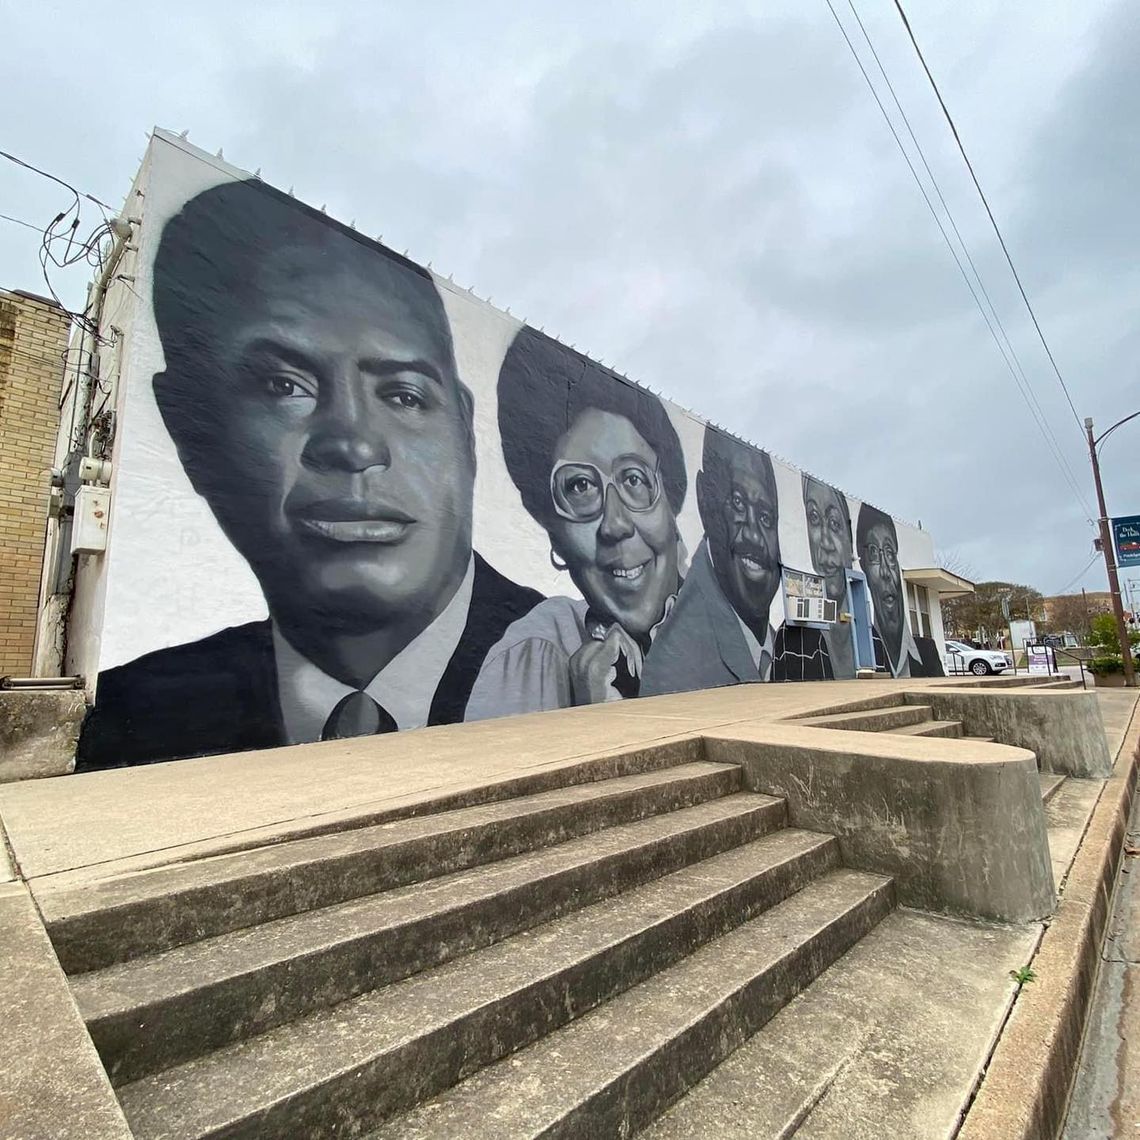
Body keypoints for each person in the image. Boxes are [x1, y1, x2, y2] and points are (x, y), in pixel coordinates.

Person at [78, 177, 541, 768]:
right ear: (188, 431)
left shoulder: (570, 658)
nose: (352, 444)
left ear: (465, 433)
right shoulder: (129, 718)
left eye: (403, 395)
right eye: (284, 387)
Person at [465, 329, 686, 718]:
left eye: (634, 479)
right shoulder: (538, 651)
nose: (614, 524)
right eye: (580, 486)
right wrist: (589, 720)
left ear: (670, 497)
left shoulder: (723, 629)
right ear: (554, 532)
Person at [641, 427, 831, 696]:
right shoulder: (678, 665)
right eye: (738, 503)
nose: (754, 533)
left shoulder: (767, 638)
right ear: (705, 500)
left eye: (765, 517)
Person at [854, 503, 926, 678]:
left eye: (890, 554)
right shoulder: (870, 646)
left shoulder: (928, 654)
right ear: (863, 566)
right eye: (873, 554)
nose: (886, 572)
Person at [803, 474, 856, 679]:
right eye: (814, 518)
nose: (825, 542)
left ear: (849, 535)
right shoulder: (787, 643)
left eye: (834, 524)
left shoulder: (876, 643)